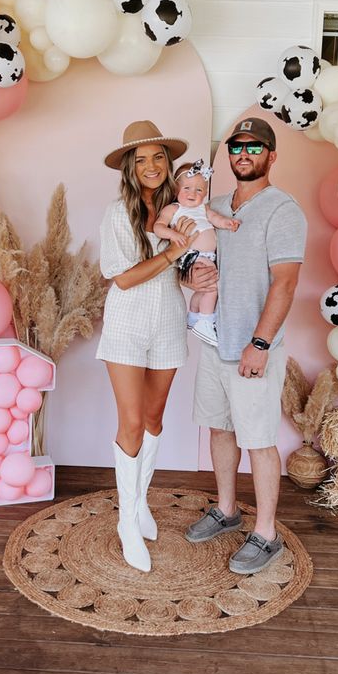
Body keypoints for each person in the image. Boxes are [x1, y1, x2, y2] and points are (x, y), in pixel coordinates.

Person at [185, 117, 307, 575]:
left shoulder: (283, 210)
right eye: (237, 146)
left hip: (255, 348)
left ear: (271, 157)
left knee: (258, 440)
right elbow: (194, 263)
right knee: (220, 430)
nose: (244, 153)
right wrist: (190, 277)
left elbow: (286, 283)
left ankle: (267, 534)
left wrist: (260, 343)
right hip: (217, 343)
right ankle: (227, 510)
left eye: (255, 147)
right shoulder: (212, 206)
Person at [97, 120, 197, 573]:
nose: (152, 166)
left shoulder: (182, 211)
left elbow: (180, 271)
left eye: (159, 157)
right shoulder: (118, 214)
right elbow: (123, 277)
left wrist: (197, 275)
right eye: (141, 160)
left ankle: (139, 505)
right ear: (129, 168)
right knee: (132, 422)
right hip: (127, 325)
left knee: (155, 419)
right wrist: (170, 254)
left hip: (169, 322)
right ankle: (126, 522)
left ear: (168, 163)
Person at [153, 158, 240, 347]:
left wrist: (227, 223)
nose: (193, 193)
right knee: (212, 286)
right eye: (187, 188)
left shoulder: (203, 208)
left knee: (204, 287)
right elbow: (158, 226)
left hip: (207, 256)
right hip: (192, 255)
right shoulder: (174, 209)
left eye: (199, 190)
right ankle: (206, 321)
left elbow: (215, 218)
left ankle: (193, 315)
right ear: (176, 190)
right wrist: (173, 234)